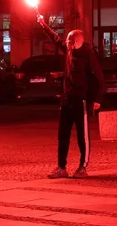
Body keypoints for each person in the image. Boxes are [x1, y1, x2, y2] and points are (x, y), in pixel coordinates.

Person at [37, 15, 104, 179]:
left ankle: (83, 167)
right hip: (67, 99)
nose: (66, 43)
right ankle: (61, 167)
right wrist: (43, 24)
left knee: (83, 136)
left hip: (81, 100)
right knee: (63, 134)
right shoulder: (68, 50)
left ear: (76, 42)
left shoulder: (88, 55)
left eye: (69, 41)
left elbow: (99, 78)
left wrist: (97, 99)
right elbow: (55, 39)